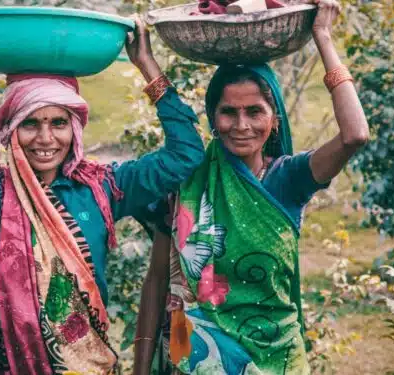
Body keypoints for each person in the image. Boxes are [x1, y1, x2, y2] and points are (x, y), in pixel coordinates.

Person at [0, 3, 204, 373]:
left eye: (58, 122)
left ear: (75, 128)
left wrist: (147, 64)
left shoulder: (103, 188)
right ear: (9, 128)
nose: (45, 138)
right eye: (30, 123)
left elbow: (185, 152)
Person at [132, 0, 369, 373]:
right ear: (213, 118)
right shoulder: (188, 179)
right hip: (196, 359)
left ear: (274, 120)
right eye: (229, 112)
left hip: (276, 359)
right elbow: (158, 277)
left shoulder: (289, 178)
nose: (241, 125)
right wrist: (140, 367)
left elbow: (355, 135)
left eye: (254, 111)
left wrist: (322, 36)